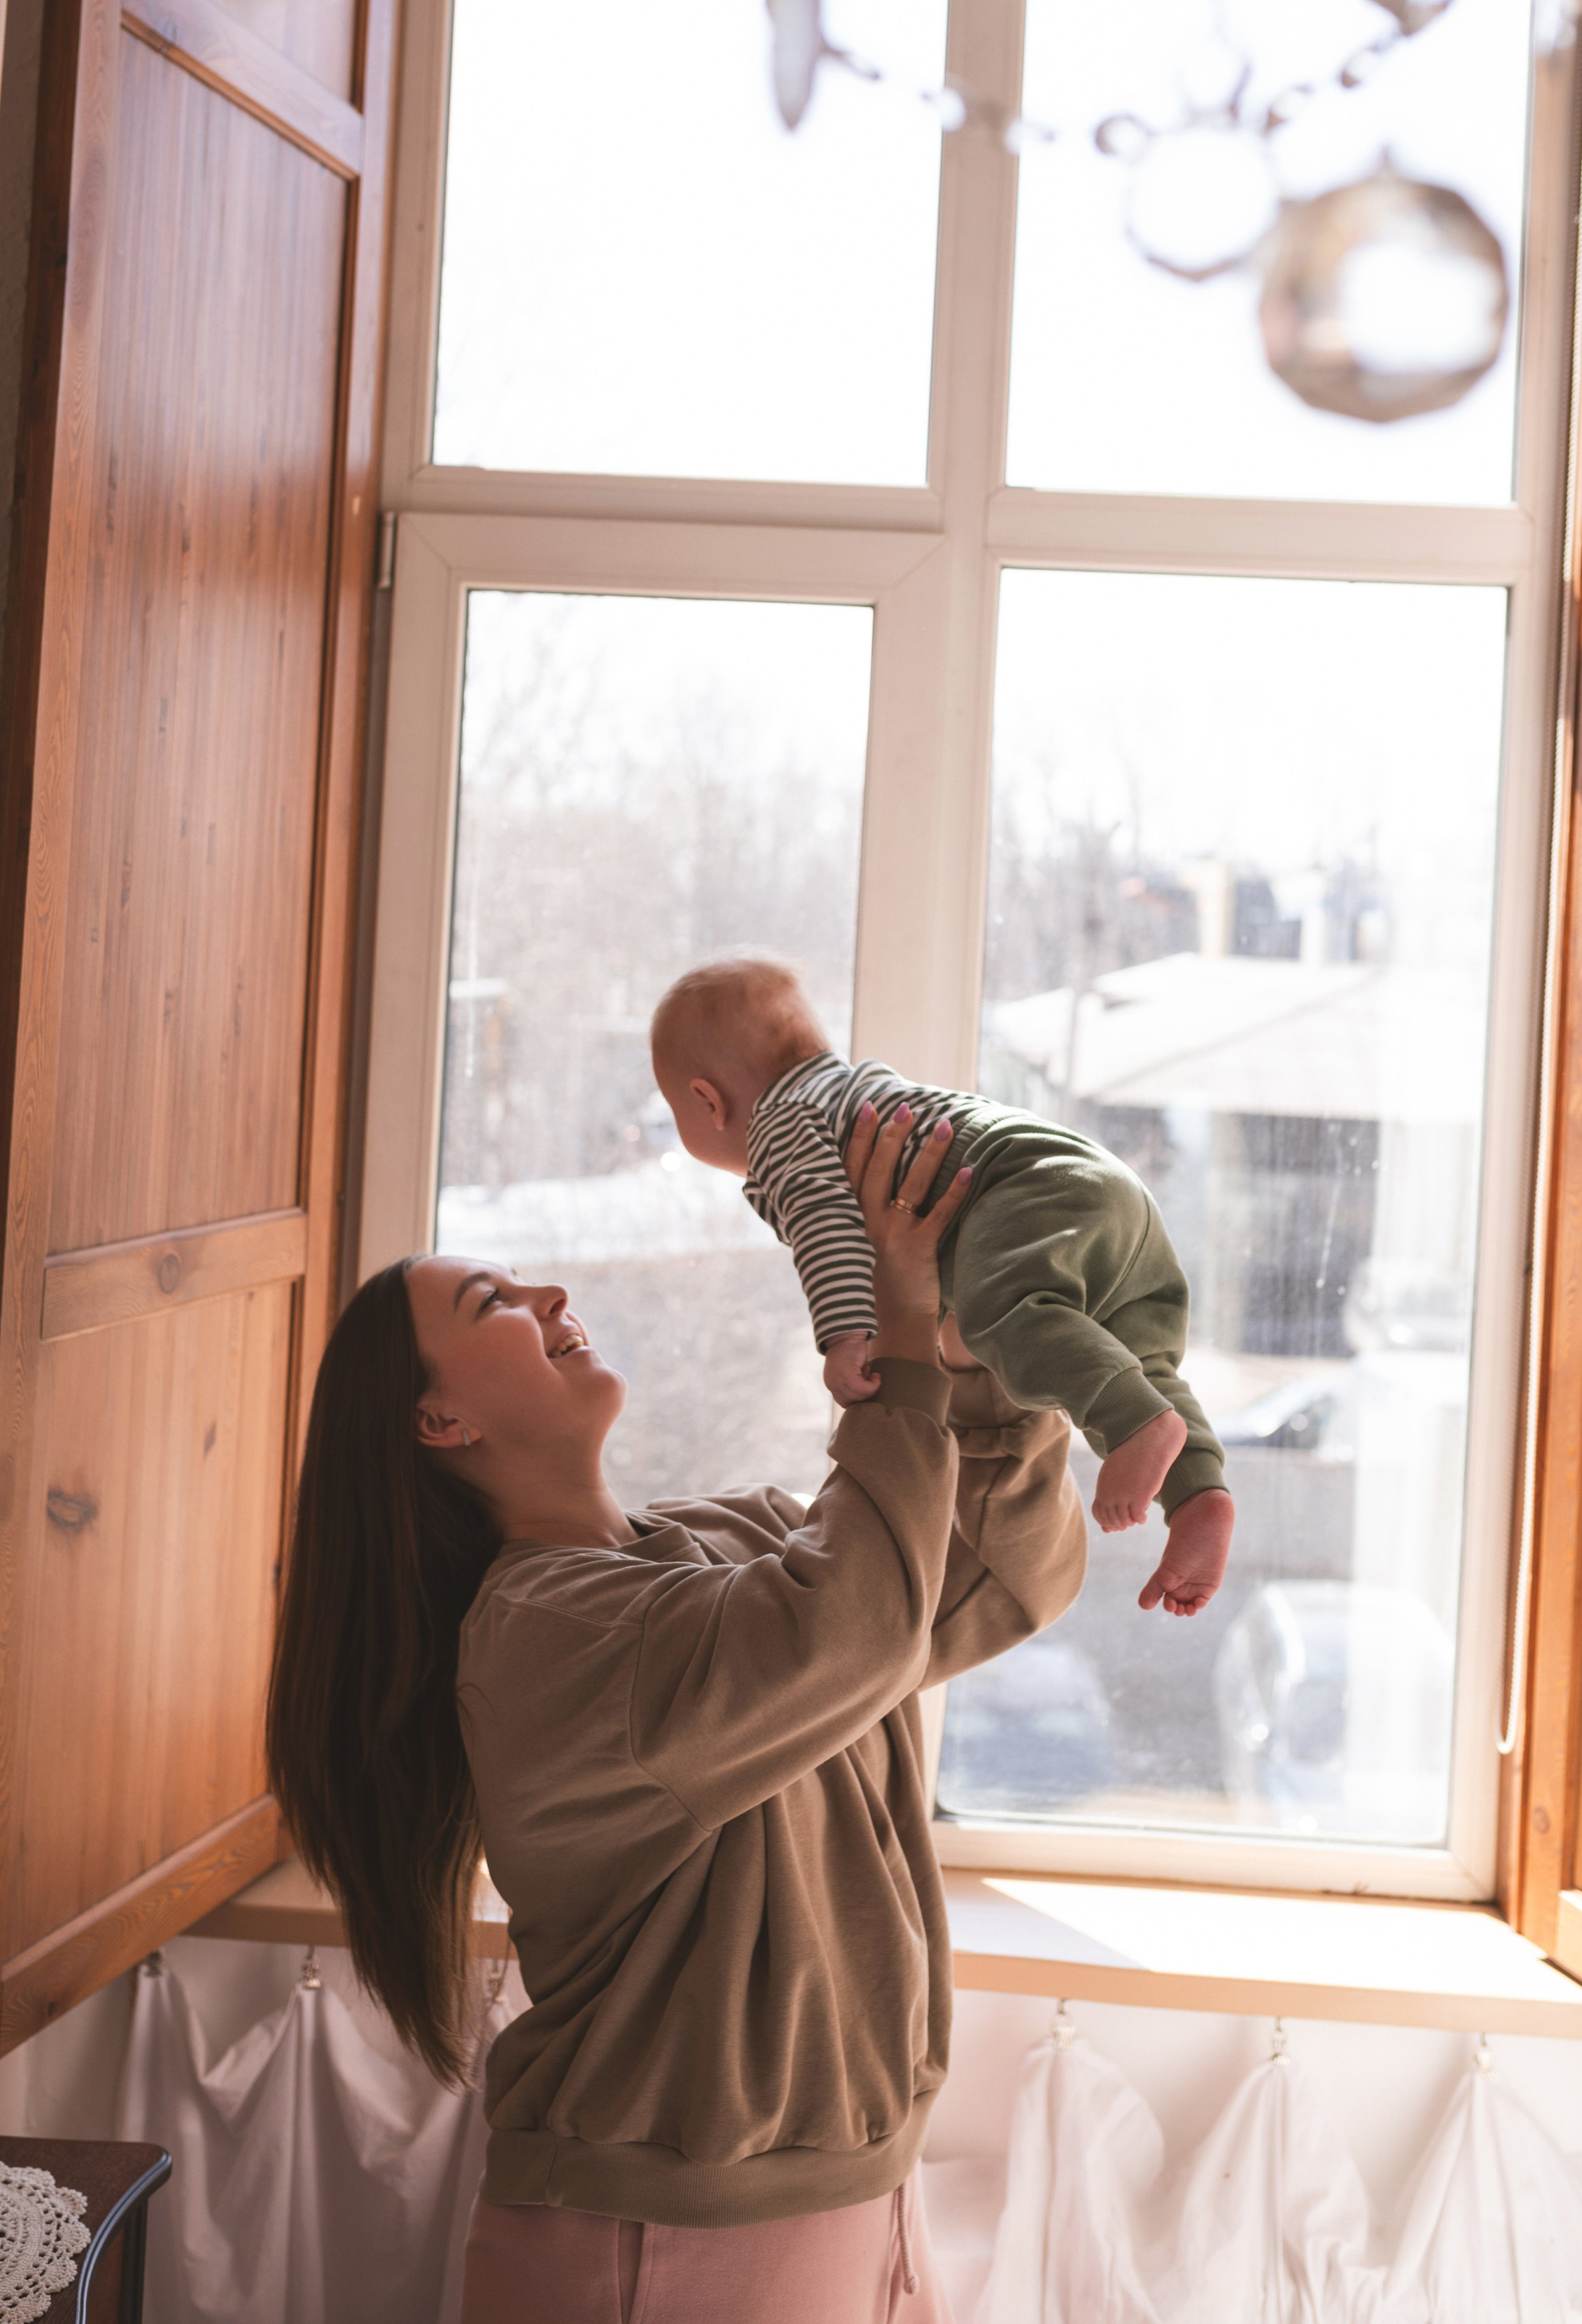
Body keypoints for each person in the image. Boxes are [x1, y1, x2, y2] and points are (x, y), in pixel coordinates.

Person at [267, 1103, 1085, 2323]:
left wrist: (976, 1359)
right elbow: (851, 1628)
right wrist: (901, 1335)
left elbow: (1000, 1580)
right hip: (670, 2239)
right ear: (442, 1423)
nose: (548, 1294)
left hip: (836, 2192)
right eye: (493, 1303)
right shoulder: (540, 1634)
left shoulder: (733, 1539)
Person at [650, 955, 1233, 1619]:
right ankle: (1198, 1495)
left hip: (1025, 1193)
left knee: (1001, 1313)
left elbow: (824, 1223)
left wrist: (846, 1333)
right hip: (1101, 1186)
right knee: (1143, 1361)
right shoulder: (860, 1088)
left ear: (707, 1101)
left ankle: (1137, 1422)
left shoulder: (780, 1124)